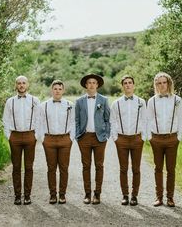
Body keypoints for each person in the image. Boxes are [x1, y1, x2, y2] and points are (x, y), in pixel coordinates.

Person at [147, 72, 182, 207]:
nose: (162, 85)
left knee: (171, 169)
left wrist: (178, 137)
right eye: (159, 83)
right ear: (156, 85)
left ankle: (170, 198)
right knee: (158, 168)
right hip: (156, 139)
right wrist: (150, 137)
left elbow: (181, 120)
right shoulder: (152, 101)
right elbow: (148, 120)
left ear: (169, 83)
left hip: (172, 139)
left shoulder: (177, 100)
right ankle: (159, 197)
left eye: (164, 82)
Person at [3, 75, 40, 205]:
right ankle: (17, 195)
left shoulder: (35, 100)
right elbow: (6, 120)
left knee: (29, 167)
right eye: (19, 83)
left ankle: (27, 195)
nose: (21, 85)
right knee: (16, 167)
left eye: (24, 83)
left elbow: (38, 119)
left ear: (27, 85)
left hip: (30, 135)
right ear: (16, 85)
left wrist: (36, 135)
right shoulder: (10, 101)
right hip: (15, 136)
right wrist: (9, 136)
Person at [110, 75, 147, 206]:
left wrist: (143, 137)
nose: (128, 85)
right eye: (125, 83)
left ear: (134, 85)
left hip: (137, 139)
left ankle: (134, 195)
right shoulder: (116, 103)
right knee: (123, 168)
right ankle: (125, 195)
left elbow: (144, 120)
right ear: (122, 86)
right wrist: (115, 138)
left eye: (130, 83)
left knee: (136, 169)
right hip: (122, 139)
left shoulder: (141, 102)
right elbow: (112, 121)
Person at [75, 73, 110, 205]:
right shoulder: (79, 101)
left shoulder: (104, 100)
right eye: (89, 82)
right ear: (85, 85)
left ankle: (97, 194)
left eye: (94, 83)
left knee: (99, 165)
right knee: (86, 166)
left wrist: (106, 134)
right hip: (84, 137)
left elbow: (108, 119)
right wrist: (78, 135)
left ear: (97, 85)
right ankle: (87, 193)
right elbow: (76, 119)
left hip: (99, 137)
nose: (91, 85)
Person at [38, 80, 75, 204]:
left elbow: (73, 122)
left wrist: (71, 138)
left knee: (64, 168)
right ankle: (53, 194)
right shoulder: (43, 105)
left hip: (65, 139)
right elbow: (40, 122)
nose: (57, 91)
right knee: (51, 168)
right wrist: (43, 139)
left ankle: (62, 194)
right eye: (55, 89)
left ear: (63, 90)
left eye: (60, 89)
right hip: (49, 139)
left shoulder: (70, 104)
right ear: (51, 90)